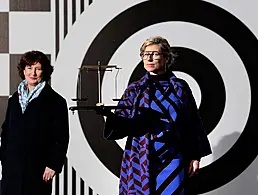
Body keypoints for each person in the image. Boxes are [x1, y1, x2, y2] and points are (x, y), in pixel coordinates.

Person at [96, 36, 212, 194]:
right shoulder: (134, 90)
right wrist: (109, 115)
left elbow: (192, 122)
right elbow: (121, 126)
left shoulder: (180, 87)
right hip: (140, 156)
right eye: (145, 54)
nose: (149, 58)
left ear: (166, 57)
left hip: (173, 156)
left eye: (155, 54)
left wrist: (195, 155)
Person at [0, 50, 69, 195]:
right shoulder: (14, 100)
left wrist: (53, 165)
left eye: (38, 68)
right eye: (29, 68)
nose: (33, 73)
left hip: (38, 169)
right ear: (23, 70)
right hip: (12, 170)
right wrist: (4, 159)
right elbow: (6, 131)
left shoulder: (56, 101)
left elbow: (61, 137)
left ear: (44, 71)